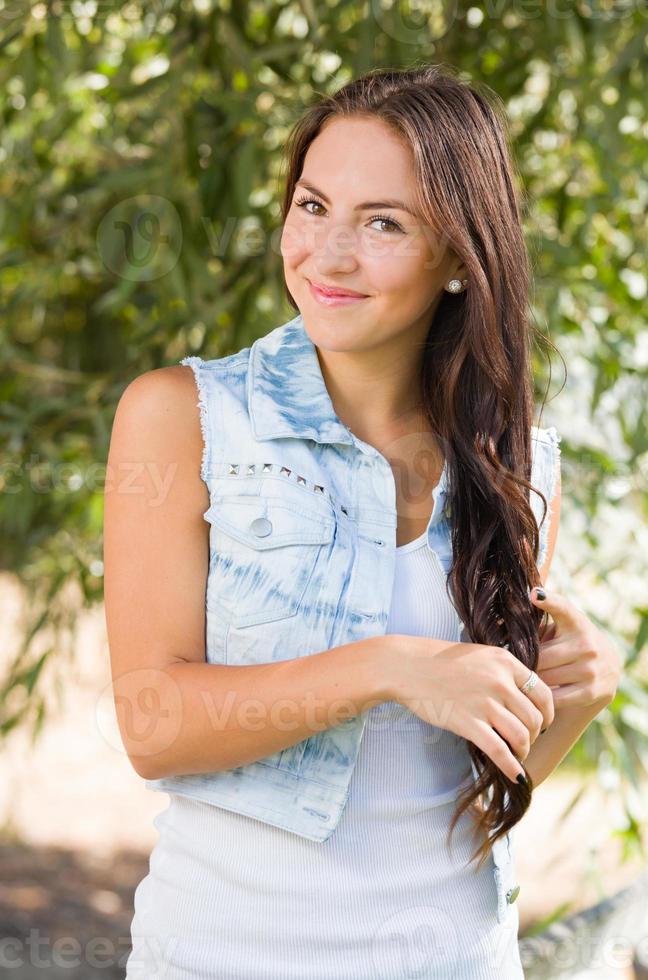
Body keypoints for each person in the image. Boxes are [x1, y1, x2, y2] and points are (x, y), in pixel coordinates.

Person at [104, 65, 620, 980]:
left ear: (461, 257)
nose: (327, 255)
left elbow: (453, 799)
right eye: (312, 207)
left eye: (383, 222)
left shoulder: (516, 460)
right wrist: (387, 667)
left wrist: (565, 706)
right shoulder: (185, 417)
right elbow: (154, 726)